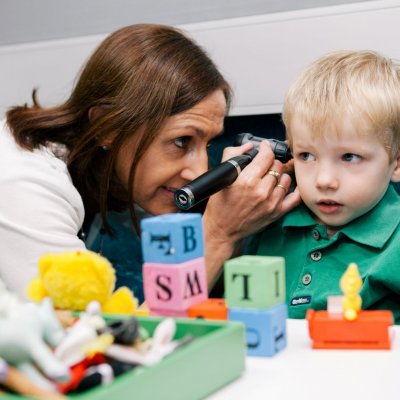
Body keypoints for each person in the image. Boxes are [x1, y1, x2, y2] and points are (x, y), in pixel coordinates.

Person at [0, 24, 300, 302]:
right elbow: (97, 345)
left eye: (206, 144)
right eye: (182, 141)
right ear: (107, 127)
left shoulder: (92, 167)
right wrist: (220, 233)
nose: (199, 171)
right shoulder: (24, 186)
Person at [245, 50, 400, 323]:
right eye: (306, 156)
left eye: (349, 157)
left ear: (396, 164)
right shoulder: (268, 219)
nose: (324, 180)